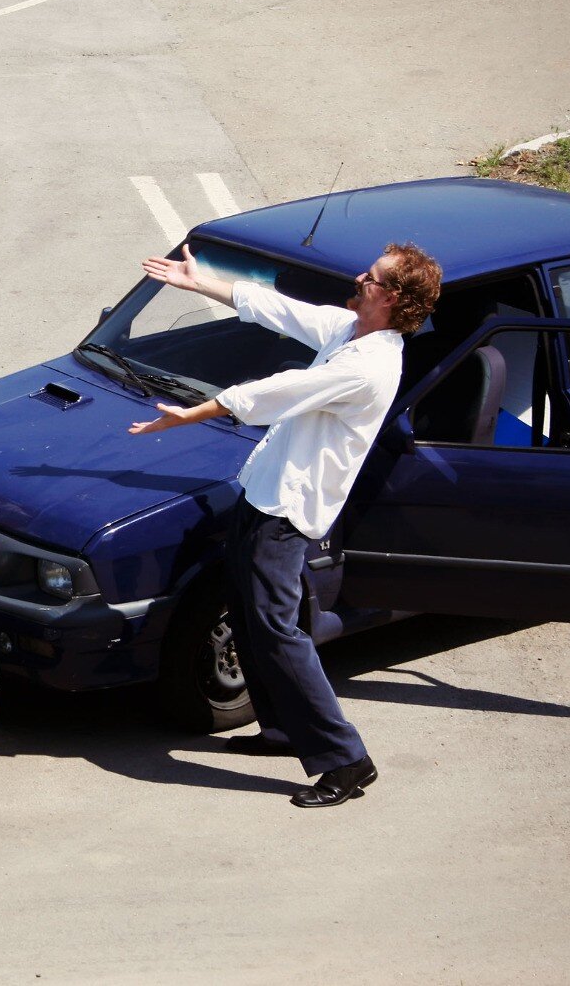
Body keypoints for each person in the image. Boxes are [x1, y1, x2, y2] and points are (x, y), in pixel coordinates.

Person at [129, 242, 442, 807]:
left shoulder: (368, 365)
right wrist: (198, 283)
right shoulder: (351, 329)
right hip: (265, 493)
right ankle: (280, 731)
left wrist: (196, 413)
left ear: (391, 297)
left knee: (276, 631)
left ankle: (347, 761)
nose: (357, 276)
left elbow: (281, 391)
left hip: (287, 513)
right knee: (253, 620)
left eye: (369, 276)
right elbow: (277, 307)